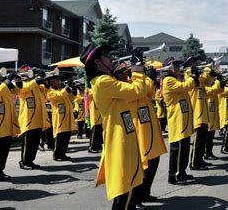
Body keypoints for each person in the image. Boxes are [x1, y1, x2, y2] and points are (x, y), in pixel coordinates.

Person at [82, 44, 148, 209]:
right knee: (126, 187)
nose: (111, 58)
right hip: (120, 137)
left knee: (130, 183)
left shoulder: (108, 79)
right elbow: (138, 90)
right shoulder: (103, 81)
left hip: (125, 132)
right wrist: (138, 69)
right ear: (97, 62)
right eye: (106, 55)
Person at [132, 66, 167, 205]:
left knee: (153, 163)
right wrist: (141, 74)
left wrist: (150, 79)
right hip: (140, 131)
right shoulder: (132, 81)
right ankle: (136, 198)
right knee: (143, 166)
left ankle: (145, 193)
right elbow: (138, 90)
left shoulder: (140, 81)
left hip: (150, 129)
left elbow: (150, 93)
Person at [161, 57, 197, 185]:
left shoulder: (175, 79)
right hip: (177, 121)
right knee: (177, 149)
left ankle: (181, 172)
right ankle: (173, 175)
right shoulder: (168, 80)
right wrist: (193, 77)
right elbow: (185, 86)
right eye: (175, 66)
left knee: (184, 149)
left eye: (178, 66)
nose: (178, 69)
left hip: (184, 120)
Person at [184, 56, 215, 170]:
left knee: (203, 138)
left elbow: (208, 82)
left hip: (203, 111)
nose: (195, 63)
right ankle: (194, 163)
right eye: (192, 62)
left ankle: (200, 159)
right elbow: (194, 80)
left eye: (195, 61)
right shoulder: (188, 73)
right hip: (196, 109)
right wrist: (204, 70)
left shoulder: (199, 74)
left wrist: (211, 70)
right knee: (198, 139)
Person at [17, 65, 50, 170]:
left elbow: (46, 89)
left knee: (34, 143)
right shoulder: (21, 84)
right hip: (28, 119)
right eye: (28, 72)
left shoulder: (35, 85)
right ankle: (24, 161)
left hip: (38, 119)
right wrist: (36, 80)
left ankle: (30, 161)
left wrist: (45, 79)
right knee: (28, 143)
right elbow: (23, 88)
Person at [46, 69, 76, 161]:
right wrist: (66, 88)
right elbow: (58, 96)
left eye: (59, 80)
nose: (59, 81)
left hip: (67, 116)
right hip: (59, 117)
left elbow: (71, 97)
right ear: (51, 81)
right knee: (60, 136)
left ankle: (63, 153)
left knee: (66, 136)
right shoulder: (50, 91)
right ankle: (57, 154)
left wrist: (73, 89)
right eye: (56, 80)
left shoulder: (61, 89)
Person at [205, 75, 222, 160]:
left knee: (211, 136)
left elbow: (219, 90)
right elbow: (215, 89)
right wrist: (217, 81)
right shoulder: (205, 87)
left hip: (213, 115)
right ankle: (206, 153)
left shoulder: (211, 86)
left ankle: (209, 152)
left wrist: (222, 83)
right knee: (207, 136)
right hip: (208, 115)